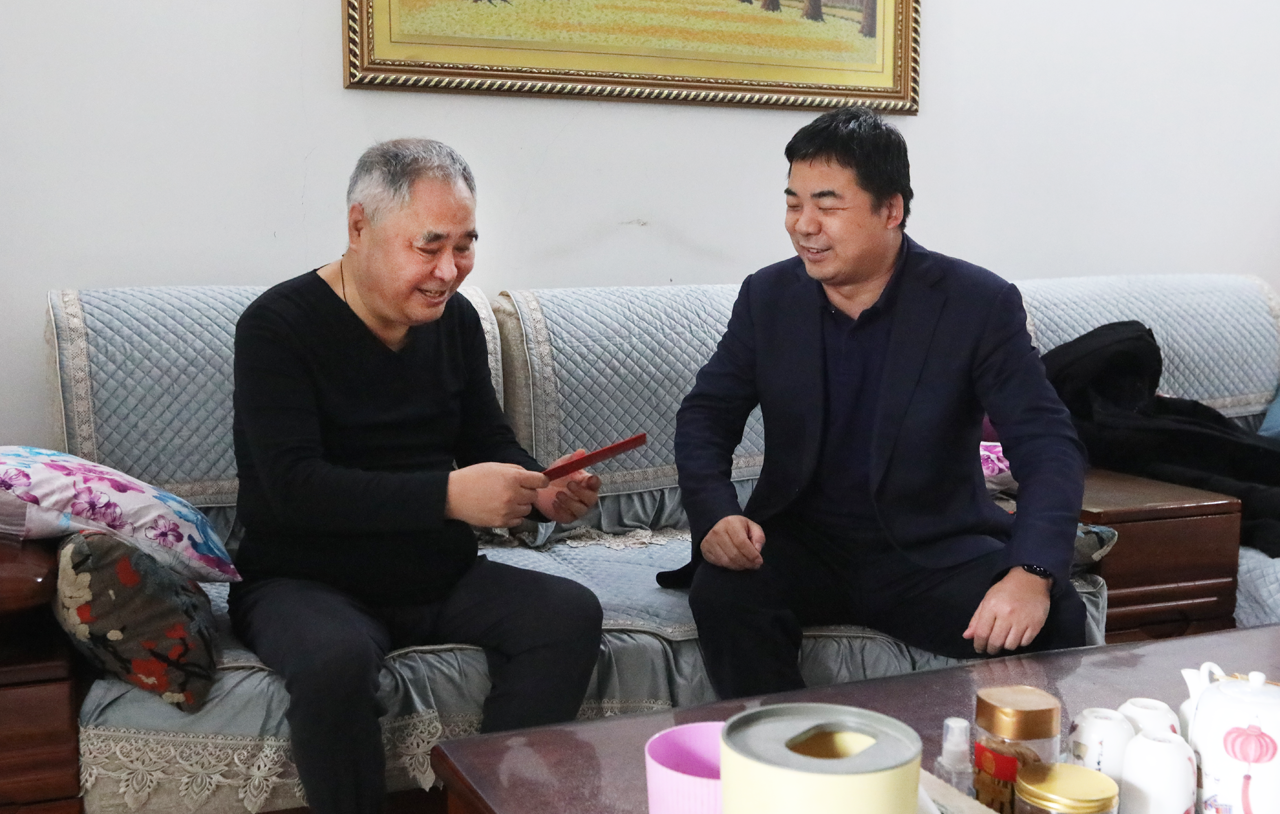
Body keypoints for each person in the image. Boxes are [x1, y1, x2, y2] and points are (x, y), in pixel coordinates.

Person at [229, 139, 604, 814]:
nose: (448, 271)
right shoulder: (276, 327)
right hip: (302, 580)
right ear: (359, 227)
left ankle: (484, 800)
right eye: (429, 246)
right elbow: (293, 487)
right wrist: (448, 496)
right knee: (334, 661)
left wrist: (542, 491)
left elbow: (487, 441)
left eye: (464, 245)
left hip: (434, 572)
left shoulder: (454, 320)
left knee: (567, 614)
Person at [664, 107, 1088, 700]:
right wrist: (714, 515)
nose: (804, 226)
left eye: (828, 206)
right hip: (801, 543)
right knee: (725, 592)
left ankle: (965, 759)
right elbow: (706, 415)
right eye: (793, 204)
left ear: (891, 210)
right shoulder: (769, 296)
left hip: (932, 552)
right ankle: (786, 750)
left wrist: (1033, 571)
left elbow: (1046, 444)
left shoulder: (976, 303)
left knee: (1056, 613)